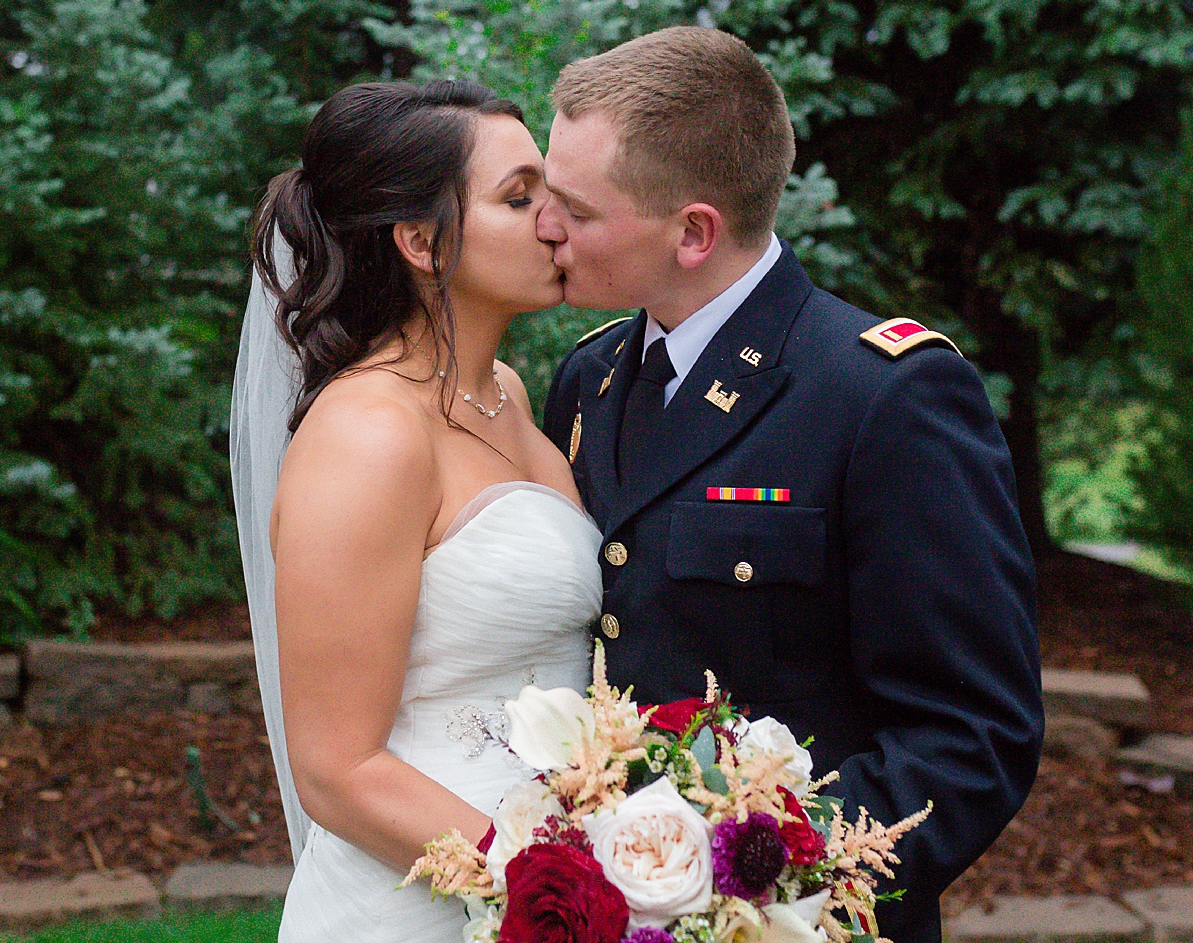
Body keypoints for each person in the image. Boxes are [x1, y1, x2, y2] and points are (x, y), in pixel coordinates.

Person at [535, 27, 1043, 942]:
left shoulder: (883, 394)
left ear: (694, 232)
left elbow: (971, 735)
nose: (543, 226)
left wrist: (750, 887)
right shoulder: (589, 377)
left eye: (573, 208)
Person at [231, 79, 598, 942]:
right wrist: (543, 889)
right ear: (422, 243)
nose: (558, 219)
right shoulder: (368, 432)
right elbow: (337, 768)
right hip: (417, 900)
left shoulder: (504, 394)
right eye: (520, 197)